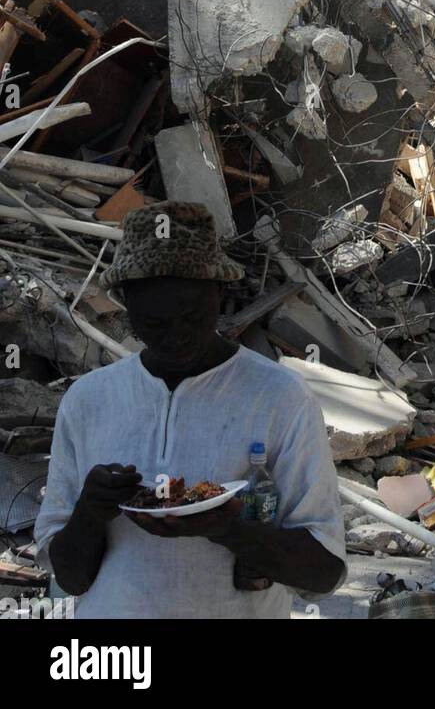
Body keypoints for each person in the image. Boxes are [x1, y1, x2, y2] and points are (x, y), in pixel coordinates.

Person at [34, 200, 346, 619]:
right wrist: (91, 509)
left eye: (192, 316)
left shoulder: (280, 397)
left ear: (219, 292)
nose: (176, 337)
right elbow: (69, 579)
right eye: (154, 323)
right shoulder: (88, 400)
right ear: (126, 305)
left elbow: (323, 573)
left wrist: (230, 529)